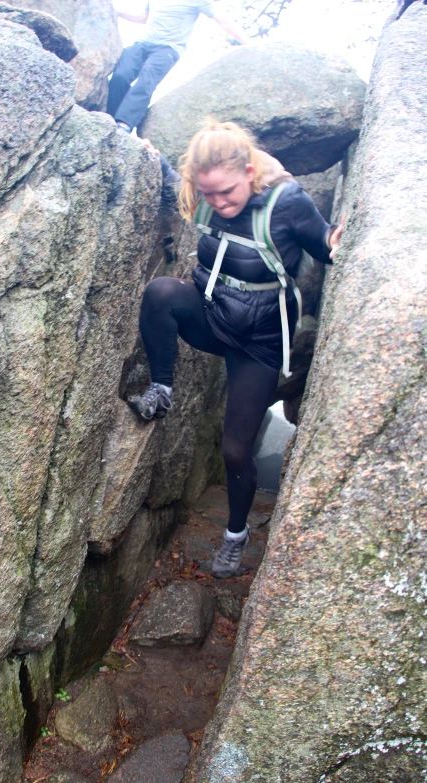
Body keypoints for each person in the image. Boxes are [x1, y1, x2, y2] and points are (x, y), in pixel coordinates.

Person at [128, 120, 344, 578]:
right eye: (209, 196)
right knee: (162, 292)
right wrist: (152, 154)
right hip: (213, 315)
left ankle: (235, 536)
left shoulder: (287, 204)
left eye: (227, 192)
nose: (219, 204)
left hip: (258, 342)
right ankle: (161, 390)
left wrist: (337, 242)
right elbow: (172, 184)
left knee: (235, 450)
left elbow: (327, 247)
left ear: (249, 171)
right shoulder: (201, 194)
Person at [107, 1, 249, 133]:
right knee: (120, 75)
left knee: (147, 77)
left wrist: (248, 44)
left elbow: (223, 21)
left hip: (167, 49)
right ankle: (110, 120)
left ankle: (124, 124)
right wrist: (113, 9)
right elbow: (143, 17)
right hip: (143, 44)